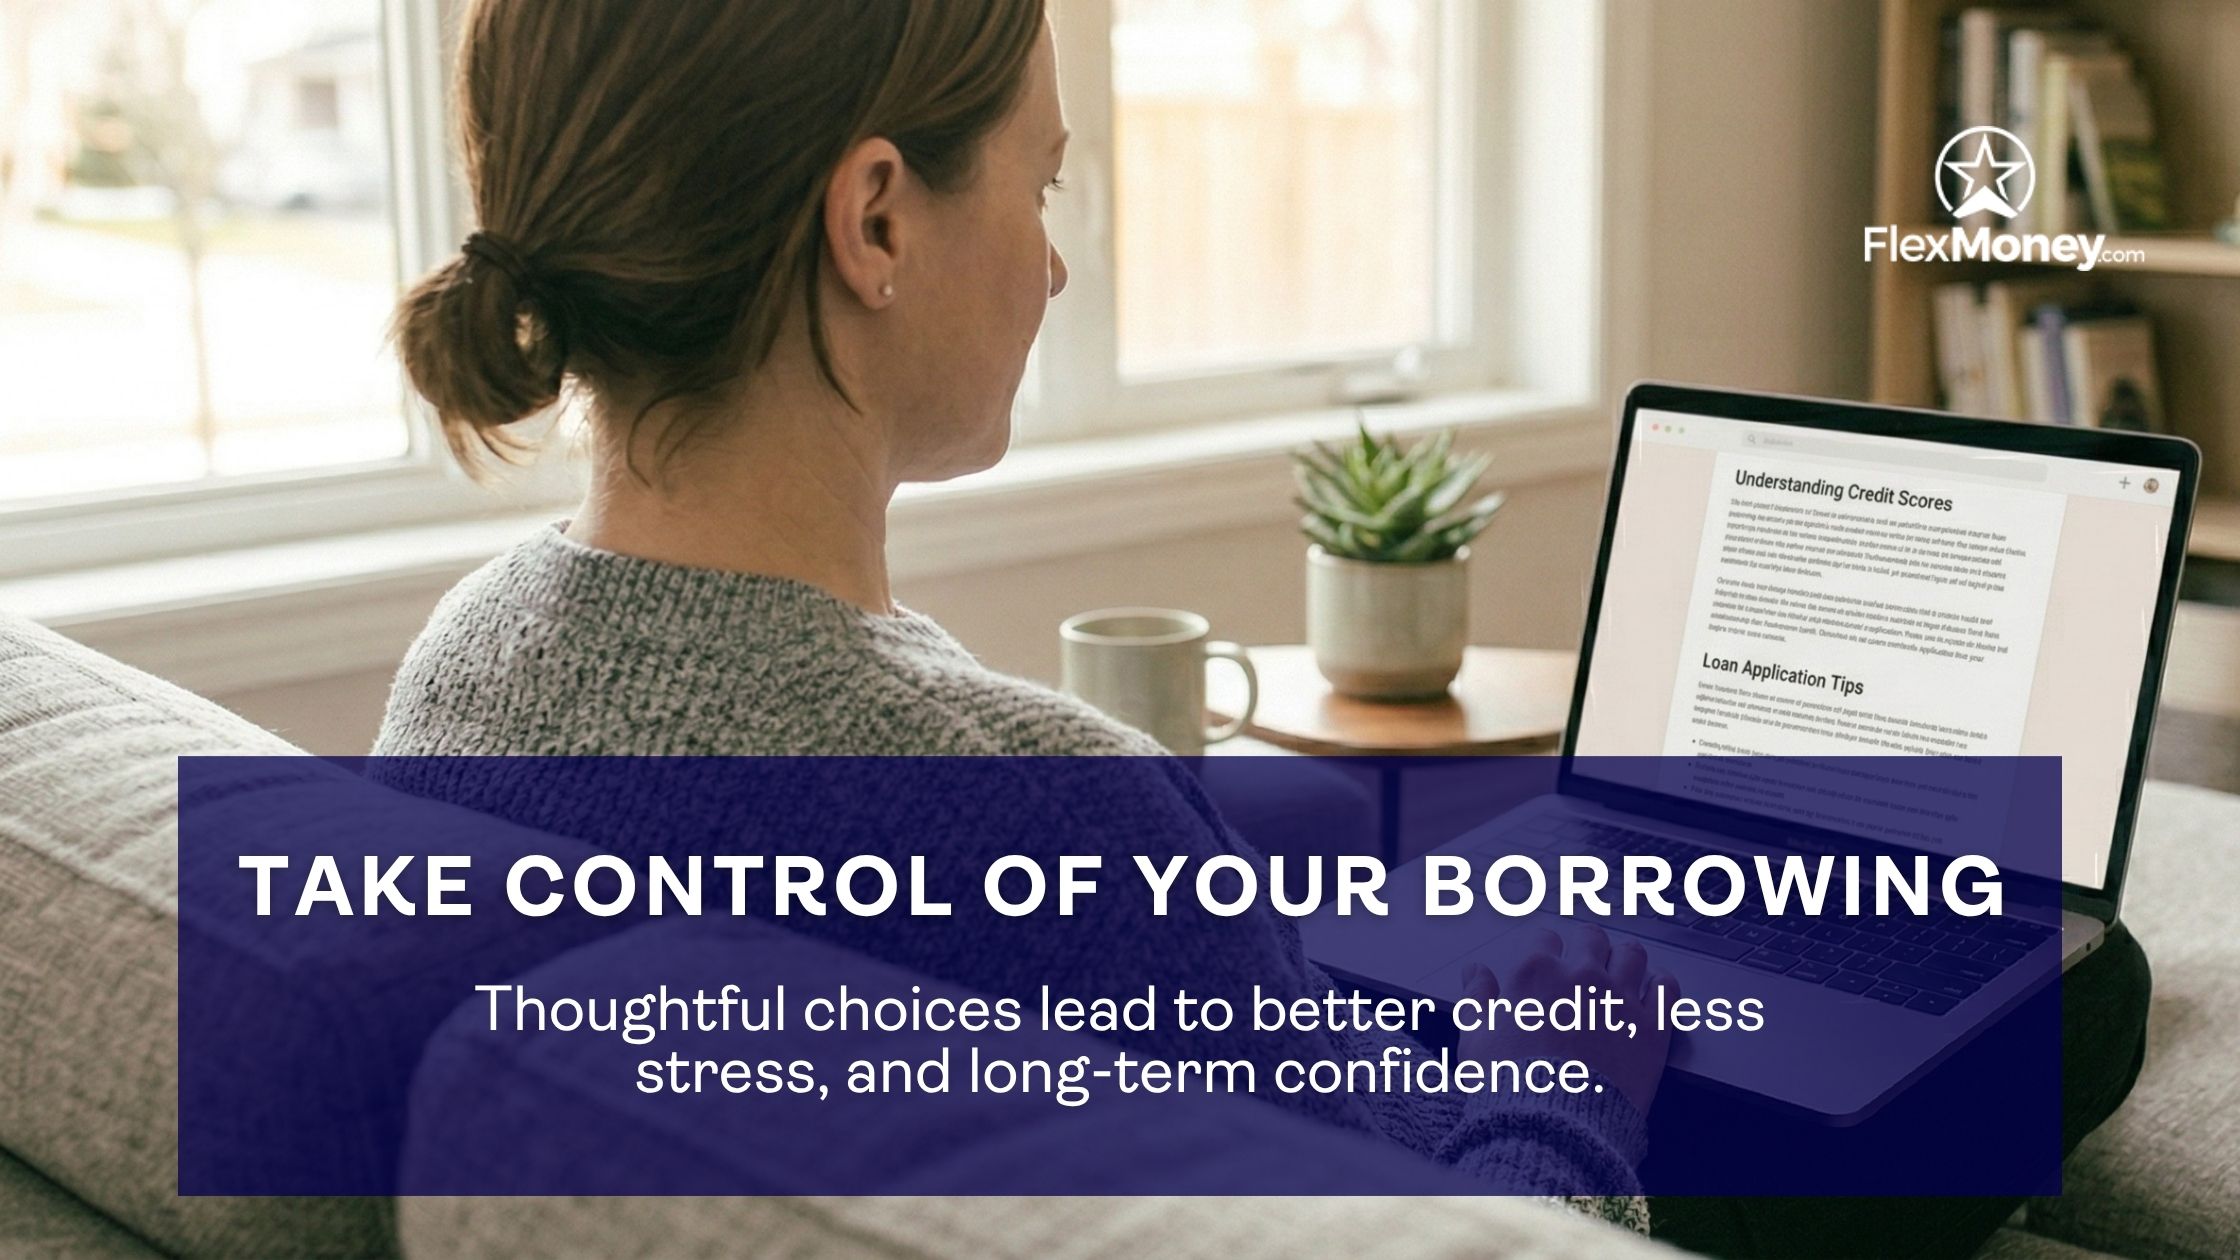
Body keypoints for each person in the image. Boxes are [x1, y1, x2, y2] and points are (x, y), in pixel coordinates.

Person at [375, 0, 1667, 1232]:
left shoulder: (462, 666)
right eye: (1038, 186)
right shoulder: (1050, 814)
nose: (1052, 267)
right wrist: (1569, 1083)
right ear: (876, 222)